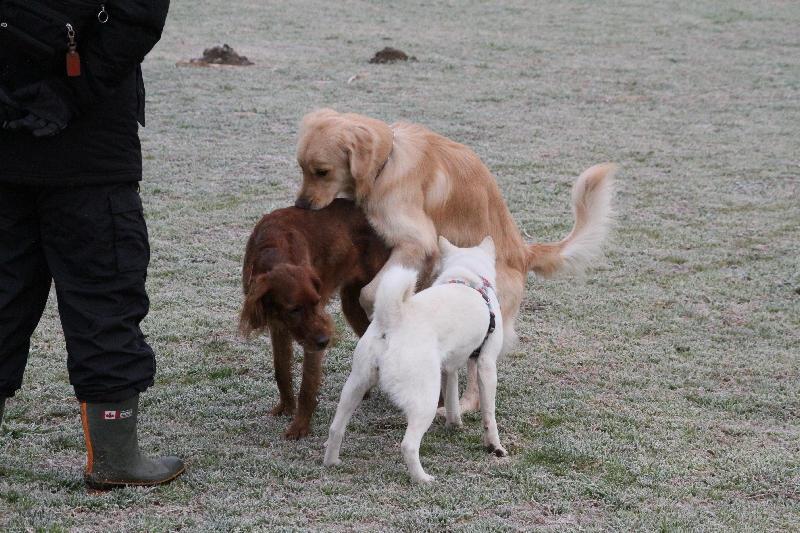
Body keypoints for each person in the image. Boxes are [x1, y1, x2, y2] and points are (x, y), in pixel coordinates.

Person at [0, 0, 184, 490]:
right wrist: (70, 94)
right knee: (105, 295)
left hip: (10, 133)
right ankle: (115, 459)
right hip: (90, 150)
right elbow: (137, 17)